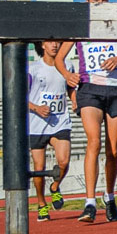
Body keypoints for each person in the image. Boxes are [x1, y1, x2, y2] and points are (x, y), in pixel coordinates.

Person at [56, 0, 117, 223]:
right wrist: (67, 75)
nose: (100, 5)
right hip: (89, 89)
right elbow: (60, 58)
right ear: (87, 2)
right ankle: (89, 202)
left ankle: (109, 197)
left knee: (113, 149)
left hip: (116, 89)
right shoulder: (79, 27)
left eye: (104, 1)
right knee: (94, 142)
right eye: (95, 2)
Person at [28, 40, 76, 222]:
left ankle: (55, 187)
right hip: (37, 124)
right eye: (50, 42)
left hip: (60, 122)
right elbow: (18, 96)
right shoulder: (33, 69)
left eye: (57, 42)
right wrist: (36, 108)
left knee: (64, 161)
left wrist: (74, 100)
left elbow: (71, 88)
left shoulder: (68, 65)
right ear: (42, 45)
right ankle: (41, 204)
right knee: (39, 168)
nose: (54, 45)